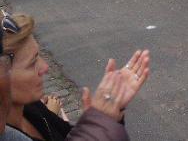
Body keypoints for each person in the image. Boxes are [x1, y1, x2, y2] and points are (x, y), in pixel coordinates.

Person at [1, 11, 149, 141]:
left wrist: (107, 116)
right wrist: (99, 123)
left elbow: (69, 134)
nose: (44, 67)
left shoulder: (30, 107)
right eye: (32, 63)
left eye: (38, 56)